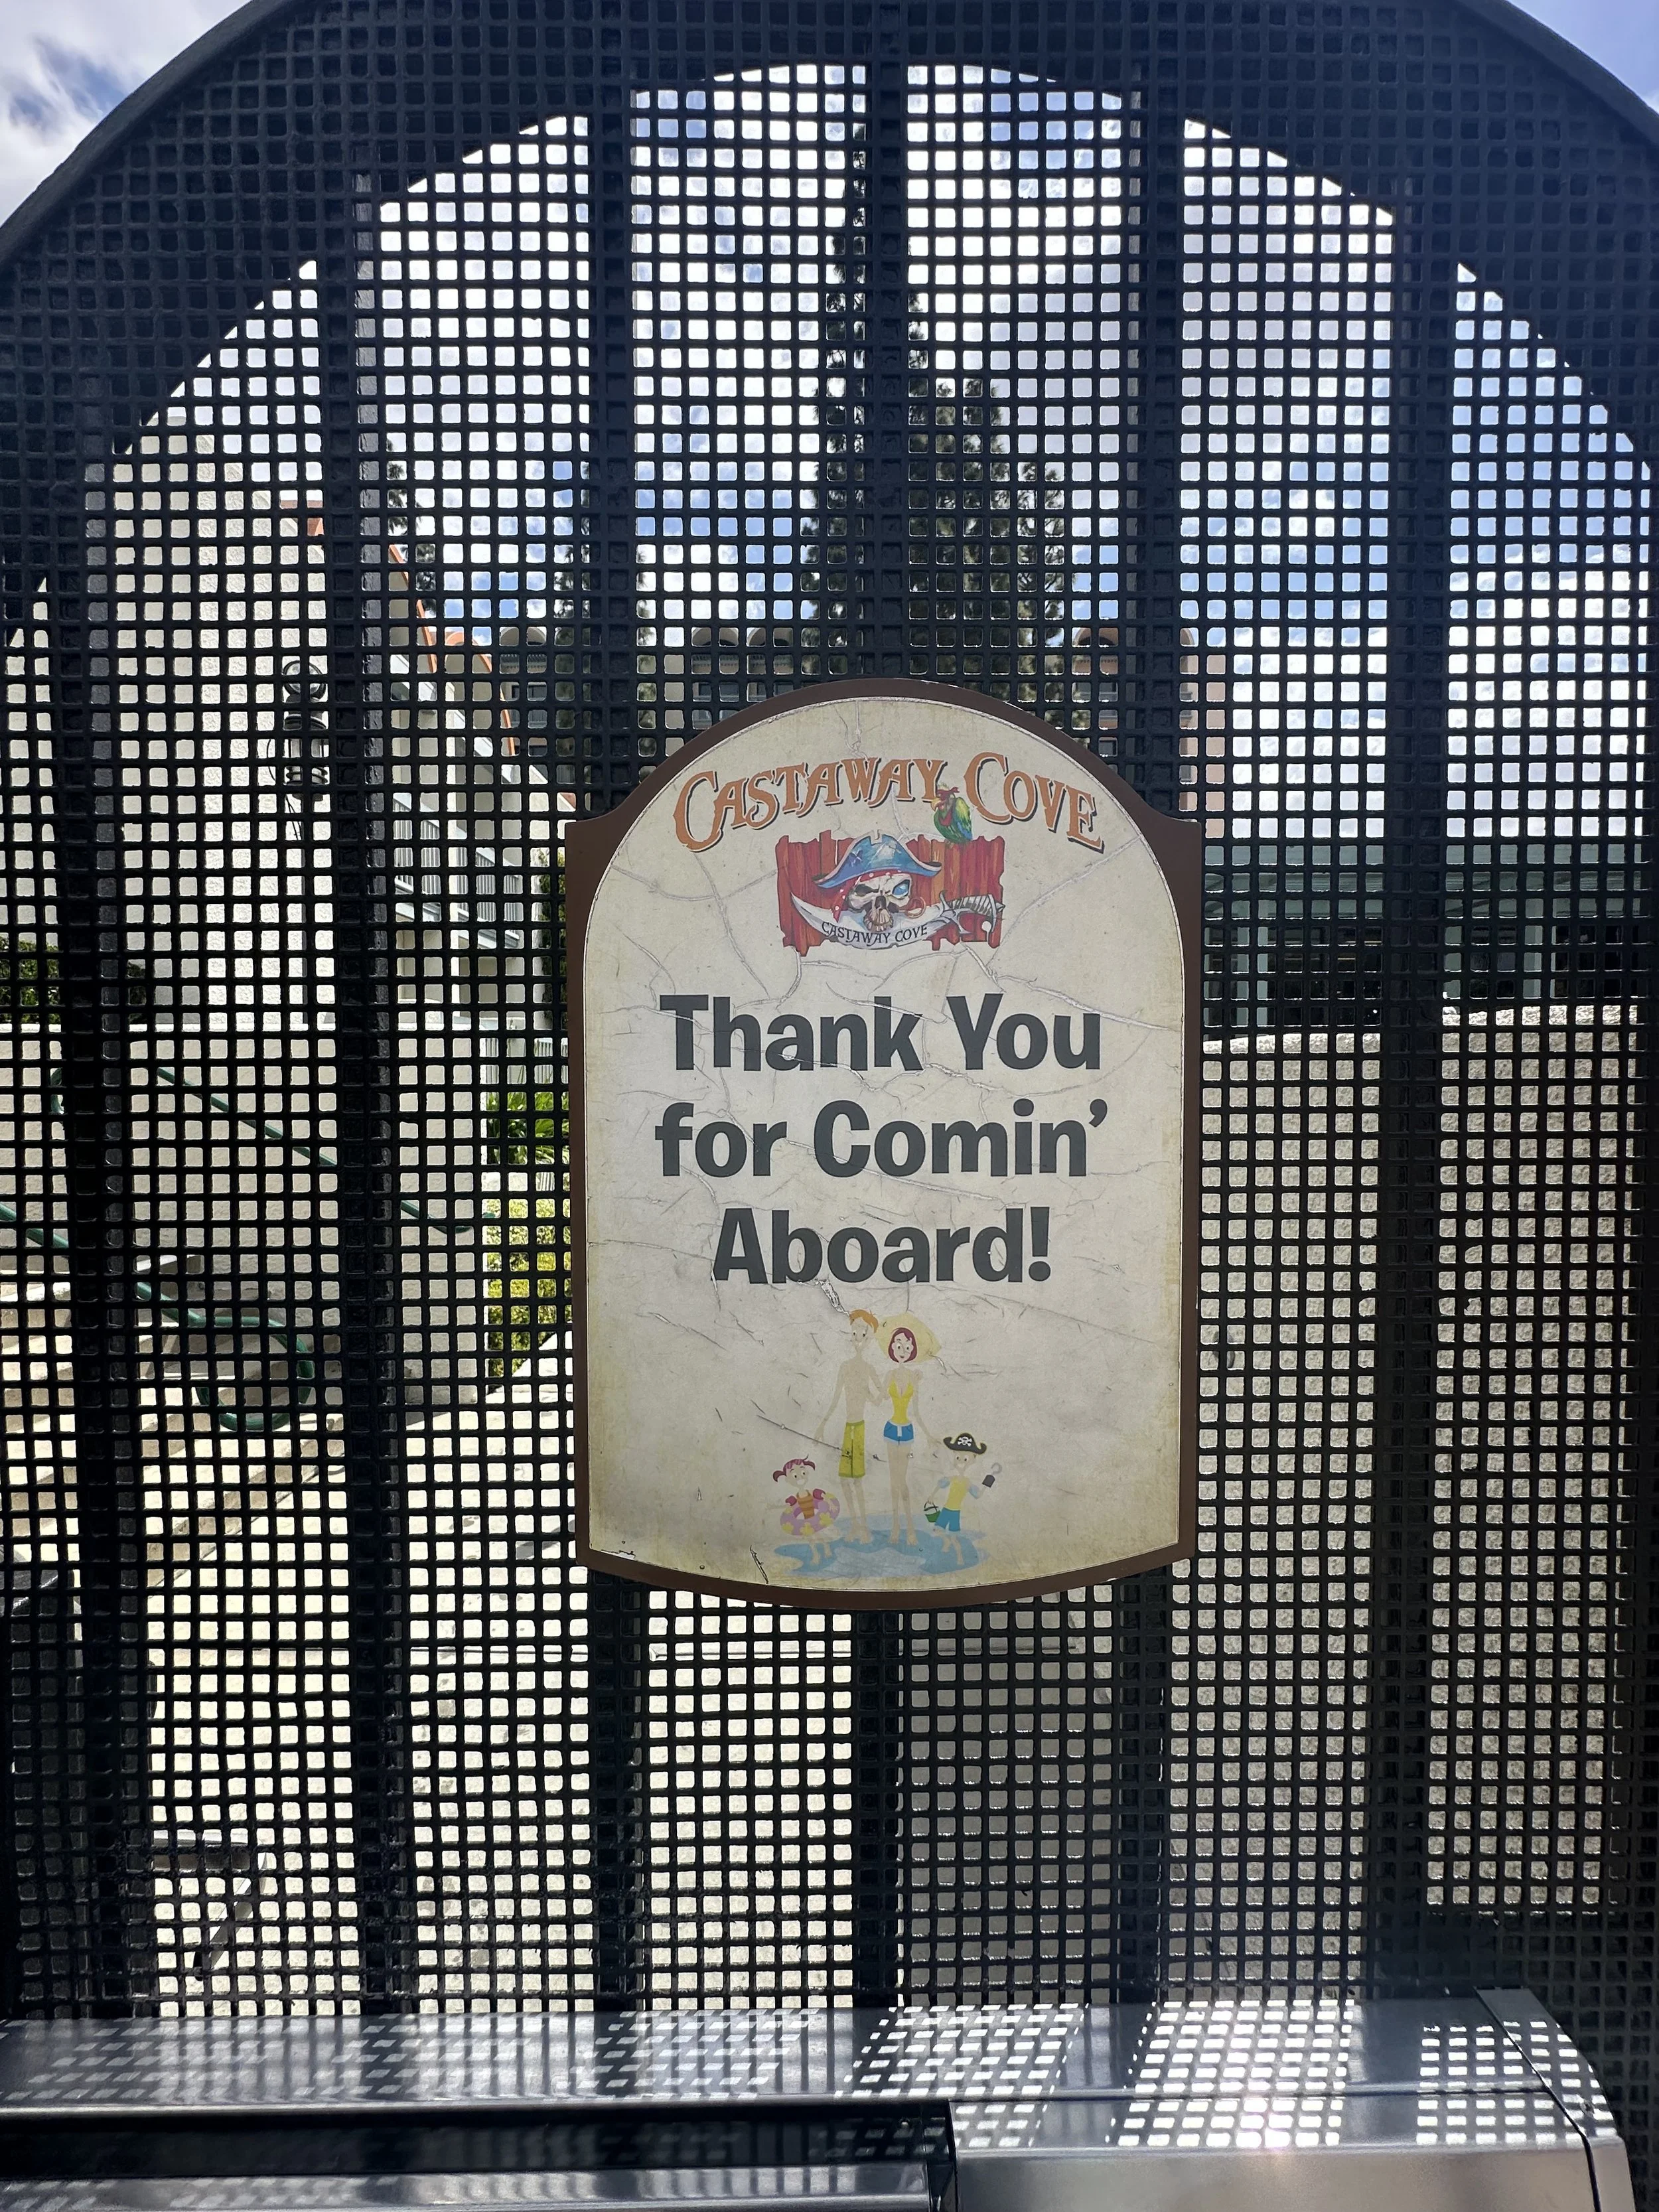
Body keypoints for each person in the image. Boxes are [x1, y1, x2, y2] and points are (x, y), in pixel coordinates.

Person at [814, 1308, 881, 1543]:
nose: (857, 1339)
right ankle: (855, 1524)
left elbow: (878, 1398)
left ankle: (864, 1526)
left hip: (859, 1428)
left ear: (869, 1338)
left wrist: (879, 1392)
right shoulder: (845, 1367)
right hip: (848, 1428)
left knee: (858, 1481)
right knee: (845, 1479)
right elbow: (835, 1398)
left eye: (863, 1334)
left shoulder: (869, 1369)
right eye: (855, 1333)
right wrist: (822, 1424)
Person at [877, 1311, 941, 1550]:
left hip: (907, 1431)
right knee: (894, 1481)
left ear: (912, 1350)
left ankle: (909, 1529)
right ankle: (896, 1527)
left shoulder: (915, 1379)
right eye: (898, 1344)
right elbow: (879, 1398)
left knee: (901, 1482)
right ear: (892, 1348)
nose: (902, 1349)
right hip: (891, 1429)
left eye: (907, 1346)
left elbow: (916, 1412)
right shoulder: (890, 1375)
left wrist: (929, 1436)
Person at [928, 1432, 993, 1566]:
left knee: (954, 1539)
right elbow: (940, 1484)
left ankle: (959, 1556)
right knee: (937, 1530)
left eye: (966, 1459)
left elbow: (978, 1495)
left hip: (954, 1513)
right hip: (946, 1510)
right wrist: (932, 1495)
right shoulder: (952, 1478)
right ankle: (945, 1543)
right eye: (958, 1457)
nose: (961, 1462)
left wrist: (987, 1484)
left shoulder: (967, 1483)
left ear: (973, 1459)